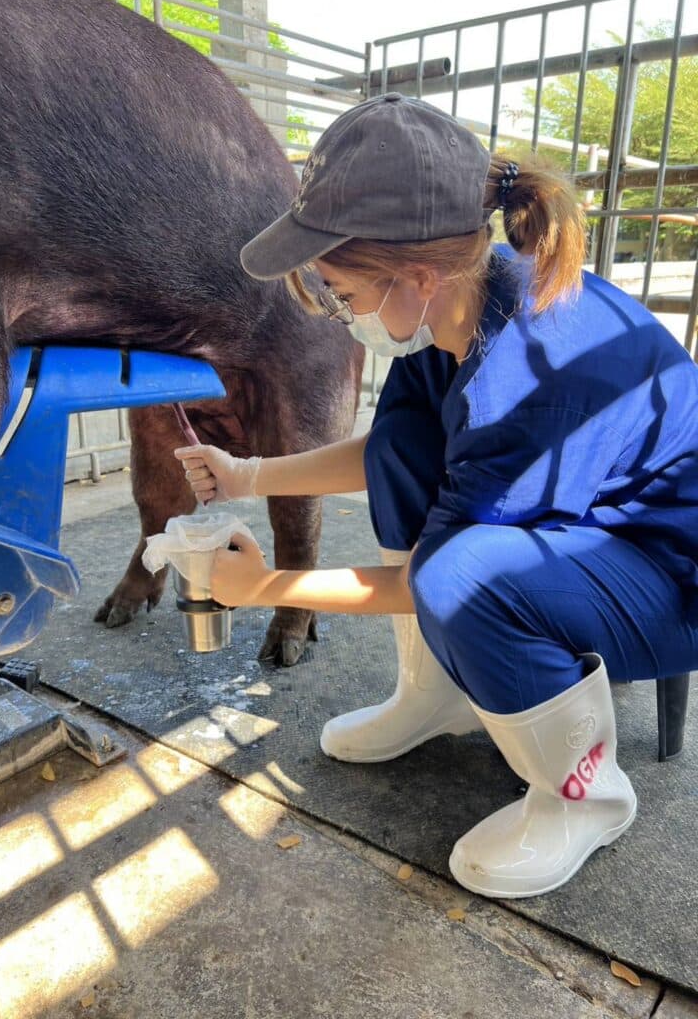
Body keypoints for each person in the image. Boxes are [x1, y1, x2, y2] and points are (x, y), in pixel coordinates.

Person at [176, 93, 698, 899]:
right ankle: (437, 695)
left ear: (415, 276)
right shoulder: (456, 314)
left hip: (668, 574)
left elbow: (435, 581)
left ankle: (586, 795)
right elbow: (387, 457)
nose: (336, 311)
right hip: (595, 530)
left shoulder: (526, 373)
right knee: (403, 444)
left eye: (337, 290)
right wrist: (249, 476)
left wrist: (265, 590)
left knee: (460, 580)